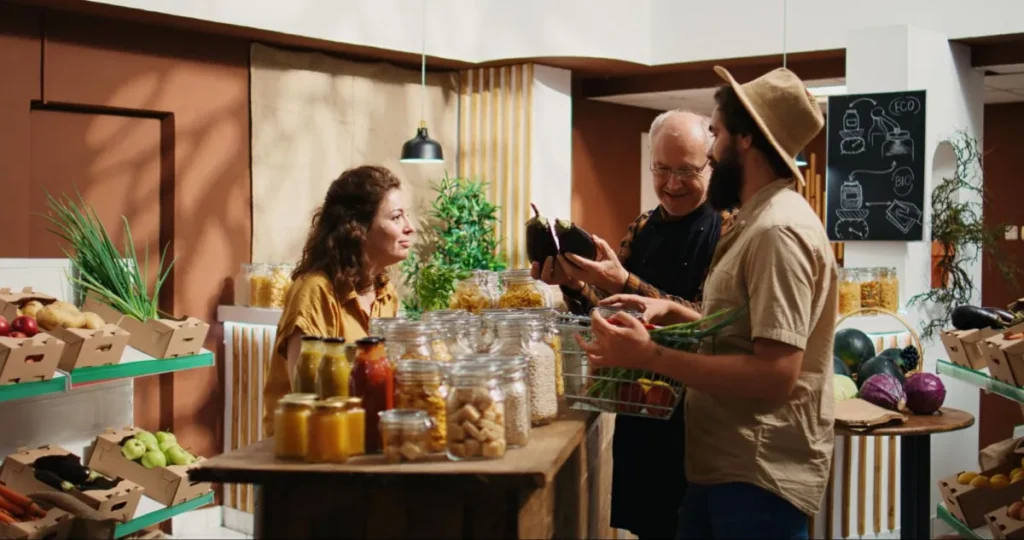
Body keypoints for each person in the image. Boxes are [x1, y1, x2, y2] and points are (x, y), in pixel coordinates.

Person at [581, 66, 837, 540]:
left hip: (755, 473)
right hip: (724, 465)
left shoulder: (777, 231)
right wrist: (677, 313)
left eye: (715, 134)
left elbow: (776, 375)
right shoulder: (757, 220)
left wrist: (651, 355)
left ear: (743, 140)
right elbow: (744, 330)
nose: (712, 153)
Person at [532, 110, 734, 539]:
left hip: (697, 419)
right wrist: (575, 284)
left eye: (686, 170)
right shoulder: (642, 226)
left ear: (710, 166)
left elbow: (707, 318)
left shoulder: (728, 228)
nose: (672, 183)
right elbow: (610, 311)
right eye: (662, 169)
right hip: (639, 407)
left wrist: (624, 280)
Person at [262, 165, 415, 436]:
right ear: (358, 228)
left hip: (361, 443)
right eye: (396, 217)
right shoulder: (315, 291)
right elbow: (308, 395)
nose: (409, 227)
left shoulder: (385, 292)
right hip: (308, 454)